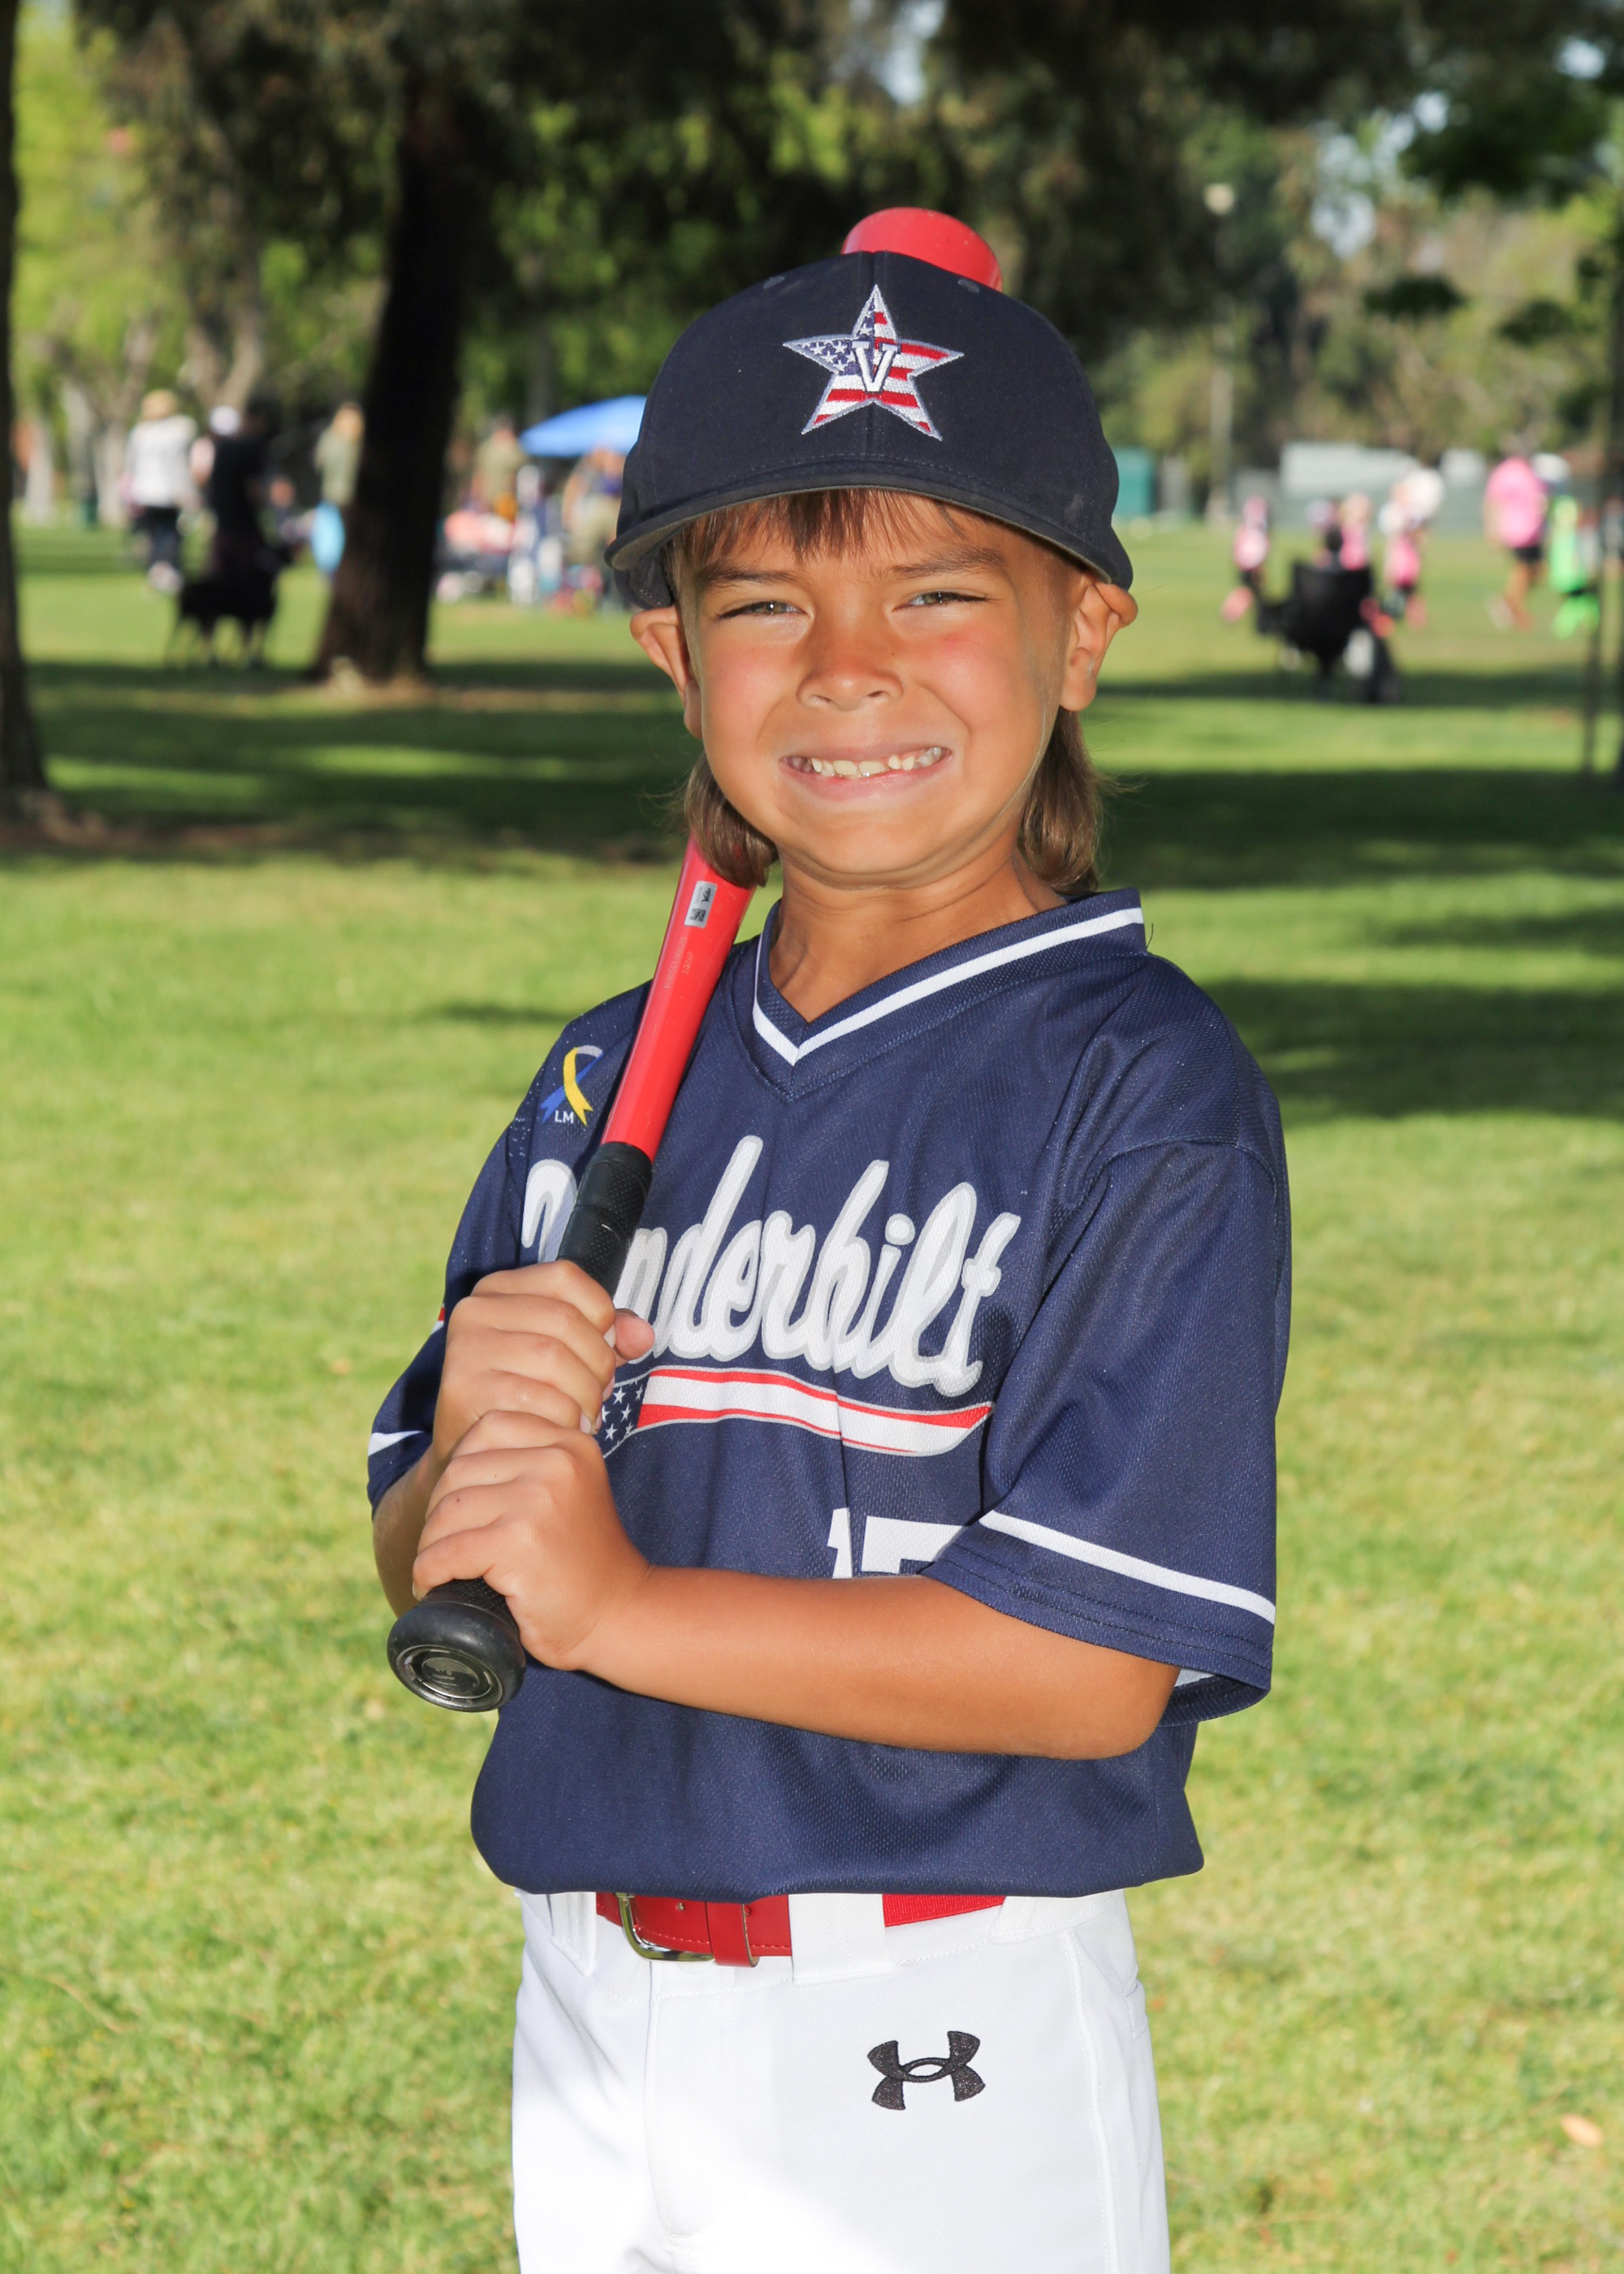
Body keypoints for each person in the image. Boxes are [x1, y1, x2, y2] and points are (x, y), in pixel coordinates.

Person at [369, 216, 1289, 2274]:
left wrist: (618, 1605)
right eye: (765, 603)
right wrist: (474, 1457)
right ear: (672, 659)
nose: (848, 666)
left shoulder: (1137, 1090)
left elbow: (1084, 1666)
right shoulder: (603, 1076)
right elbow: (440, 1553)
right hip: (592, 1995)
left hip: (930, 2023)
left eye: (937, 592)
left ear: (1082, 632)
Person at [123, 388, 197, 591]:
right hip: (170, 491)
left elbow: (130, 463)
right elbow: (184, 464)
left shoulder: (140, 433)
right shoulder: (181, 430)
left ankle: (157, 569)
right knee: (170, 533)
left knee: (154, 534)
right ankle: (166, 569)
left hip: (146, 491)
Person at [203, 400, 271, 575]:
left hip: (224, 519)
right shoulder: (250, 448)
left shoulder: (221, 450)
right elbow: (254, 487)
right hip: (243, 522)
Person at [1484, 452, 1549, 629]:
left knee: (1538, 571)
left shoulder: (1532, 470)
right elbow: (1492, 500)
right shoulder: (1507, 471)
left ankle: (1507, 602)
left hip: (1534, 530)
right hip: (1518, 530)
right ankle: (1515, 609)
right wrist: (1492, 529)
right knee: (1522, 569)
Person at [312, 400, 363, 577]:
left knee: (332, 543)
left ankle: (333, 575)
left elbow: (319, 464)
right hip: (353, 499)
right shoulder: (360, 442)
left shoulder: (329, 438)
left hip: (331, 496)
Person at [473, 413, 525, 515]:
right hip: (495, 498)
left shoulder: (487, 448)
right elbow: (480, 474)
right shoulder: (513, 448)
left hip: (503, 498)